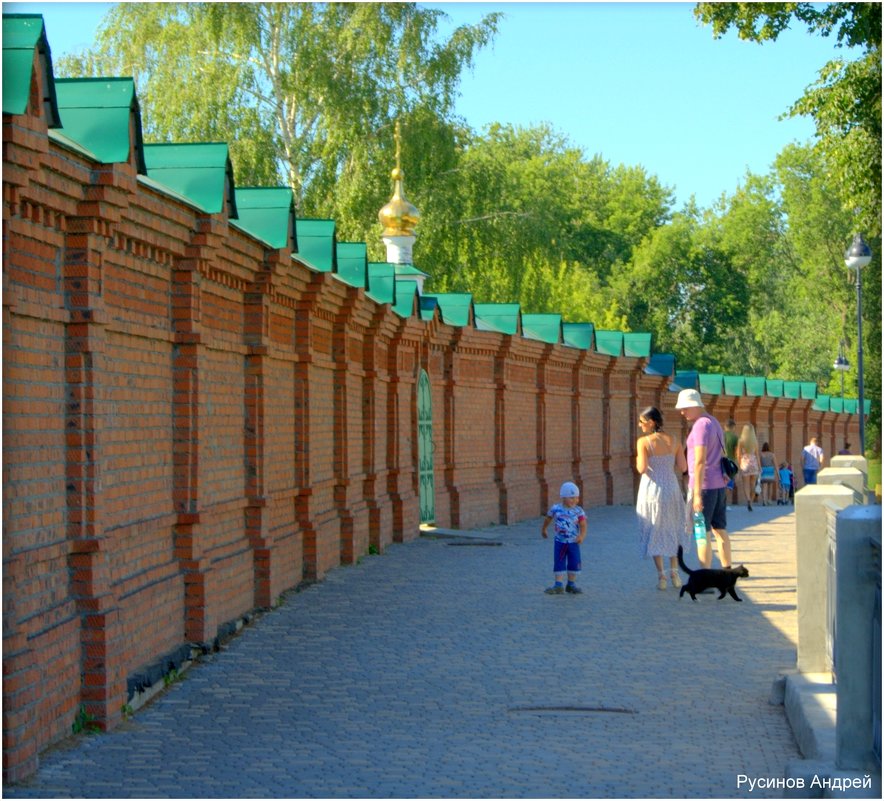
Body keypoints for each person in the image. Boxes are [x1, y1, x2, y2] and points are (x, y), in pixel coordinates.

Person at [674, 388, 731, 569]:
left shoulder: (700, 426)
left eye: (685, 408)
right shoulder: (714, 422)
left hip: (703, 487)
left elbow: (699, 461)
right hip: (718, 485)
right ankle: (727, 571)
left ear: (695, 406)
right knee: (720, 530)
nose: (682, 412)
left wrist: (696, 494)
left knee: (701, 533)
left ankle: (705, 576)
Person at [635, 407, 689, 590]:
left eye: (642, 422)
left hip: (652, 489)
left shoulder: (643, 442)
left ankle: (662, 577)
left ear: (651, 422)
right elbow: (683, 467)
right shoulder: (674, 440)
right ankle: (675, 573)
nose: (639, 425)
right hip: (672, 488)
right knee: (673, 528)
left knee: (654, 529)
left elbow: (642, 468)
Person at [541, 481, 587, 594]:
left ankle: (571, 584)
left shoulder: (578, 511)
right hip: (560, 542)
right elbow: (548, 518)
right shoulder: (556, 509)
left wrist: (582, 535)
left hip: (573, 542)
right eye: (571, 498)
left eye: (576, 498)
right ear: (563, 497)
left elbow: (583, 524)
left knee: (574, 561)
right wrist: (544, 529)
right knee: (559, 561)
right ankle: (558, 585)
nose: (574, 500)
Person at [735, 424, 760, 511]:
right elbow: (757, 455)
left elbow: (738, 455)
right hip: (753, 463)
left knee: (746, 484)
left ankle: (748, 500)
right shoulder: (755, 441)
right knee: (753, 484)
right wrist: (760, 467)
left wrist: (738, 465)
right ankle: (752, 501)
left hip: (744, 464)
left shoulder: (741, 441)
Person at [724, 418, 740, 506]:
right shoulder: (735, 438)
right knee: (729, 484)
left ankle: (720, 503)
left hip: (720, 462)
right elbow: (737, 453)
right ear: (733, 427)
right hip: (730, 463)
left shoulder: (720, 435)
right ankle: (724, 503)